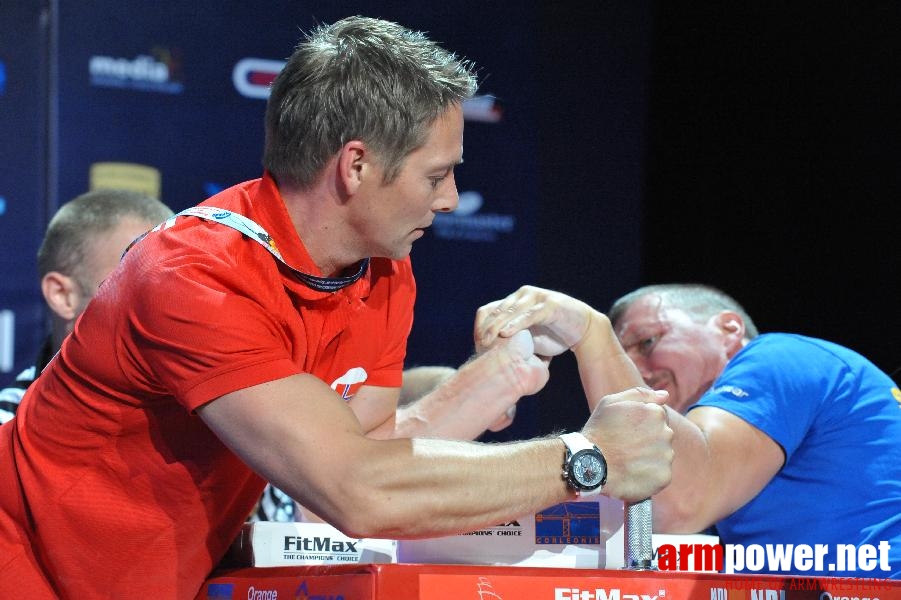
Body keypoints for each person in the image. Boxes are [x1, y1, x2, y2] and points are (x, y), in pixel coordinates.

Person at [0, 17, 674, 598]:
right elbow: (358, 489)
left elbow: (375, 458)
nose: (448, 200)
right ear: (354, 167)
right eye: (436, 175)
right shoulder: (193, 274)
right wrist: (584, 459)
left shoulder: (385, 271)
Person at [477, 284, 901, 578]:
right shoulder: (723, 438)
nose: (638, 371)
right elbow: (627, 517)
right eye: (625, 359)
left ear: (729, 329)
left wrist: (591, 332)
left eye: (646, 342)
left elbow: (682, 501)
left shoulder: (780, 356)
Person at [0, 189, 174, 424]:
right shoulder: (8, 433)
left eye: (175, 285)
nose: (165, 306)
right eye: (137, 283)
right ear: (62, 295)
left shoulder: (212, 416)